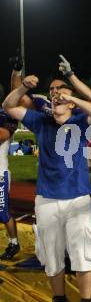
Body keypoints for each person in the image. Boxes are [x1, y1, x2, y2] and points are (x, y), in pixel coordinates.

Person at [3, 74, 91, 302]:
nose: (55, 93)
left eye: (61, 90)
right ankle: (59, 298)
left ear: (71, 102)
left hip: (77, 198)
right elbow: (8, 106)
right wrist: (22, 87)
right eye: (53, 90)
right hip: (47, 199)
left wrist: (73, 98)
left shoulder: (80, 120)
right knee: (51, 256)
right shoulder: (41, 120)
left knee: (83, 254)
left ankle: (86, 300)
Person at [0, 108, 20, 260]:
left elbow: (4, 134)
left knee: (2, 212)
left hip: (0, 174)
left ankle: (14, 243)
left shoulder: (5, 115)